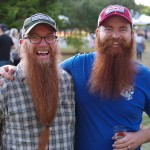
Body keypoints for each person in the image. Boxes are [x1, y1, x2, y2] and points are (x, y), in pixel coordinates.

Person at [0, 5, 150, 150]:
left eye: (123, 29)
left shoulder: (144, 76)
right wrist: (11, 69)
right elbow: (43, 69)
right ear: (97, 33)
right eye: (108, 29)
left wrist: (141, 136)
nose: (115, 35)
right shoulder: (79, 65)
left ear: (132, 34)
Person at [0, 13, 75, 150]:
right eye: (34, 37)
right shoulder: (5, 85)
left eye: (49, 37)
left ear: (56, 42)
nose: (43, 43)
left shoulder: (68, 81)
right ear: (22, 44)